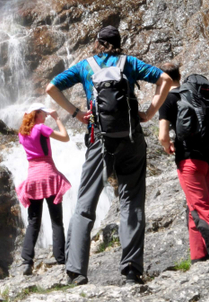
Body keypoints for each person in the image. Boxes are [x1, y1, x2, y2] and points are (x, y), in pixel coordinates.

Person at [46, 24, 173, 286]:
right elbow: (166, 80)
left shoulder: (85, 66)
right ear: (118, 43)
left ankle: (76, 272)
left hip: (99, 140)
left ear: (97, 43)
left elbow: (50, 88)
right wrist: (149, 114)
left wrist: (76, 114)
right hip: (131, 139)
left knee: (85, 205)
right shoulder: (130, 63)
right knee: (132, 202)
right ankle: (131, 272)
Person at [158, 62, 209, 262]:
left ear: (161, 77)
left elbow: (163, 136)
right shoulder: (196, 95)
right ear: (180, 74)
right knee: (195, 208)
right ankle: (199, 256)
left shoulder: (169, 99)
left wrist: (168, 146)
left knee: (200, 208)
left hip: (189, 160)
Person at [16, 106, 71, 275]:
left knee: (33, 221)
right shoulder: (41, 128)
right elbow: (65, 137)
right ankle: (60, 259)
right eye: (44, 113)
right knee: (56, 221)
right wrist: (57, 119)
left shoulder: (22, 133)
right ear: (36, 114)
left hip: (32, 178)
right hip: (48, 176)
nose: (46, 115)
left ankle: (26, 261)